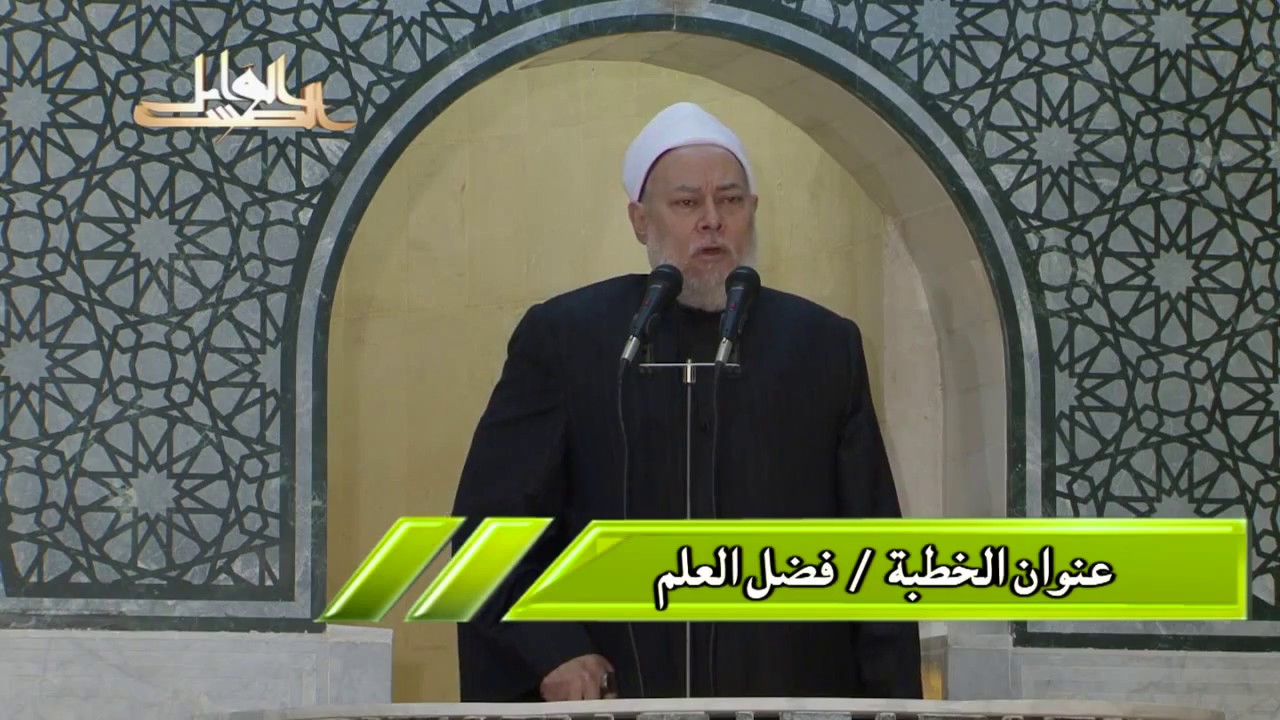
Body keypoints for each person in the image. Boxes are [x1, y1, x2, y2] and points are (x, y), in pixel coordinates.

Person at [450, 102, 922, 702]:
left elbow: (875, 555)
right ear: (639, 220)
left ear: (753, 211)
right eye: (686, 203)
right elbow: (485, 529)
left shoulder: (823, 345)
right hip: (616, 696)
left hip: (788, 694)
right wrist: (554, 650)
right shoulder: (569, 338)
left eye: (730, 200)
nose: (712, 221)